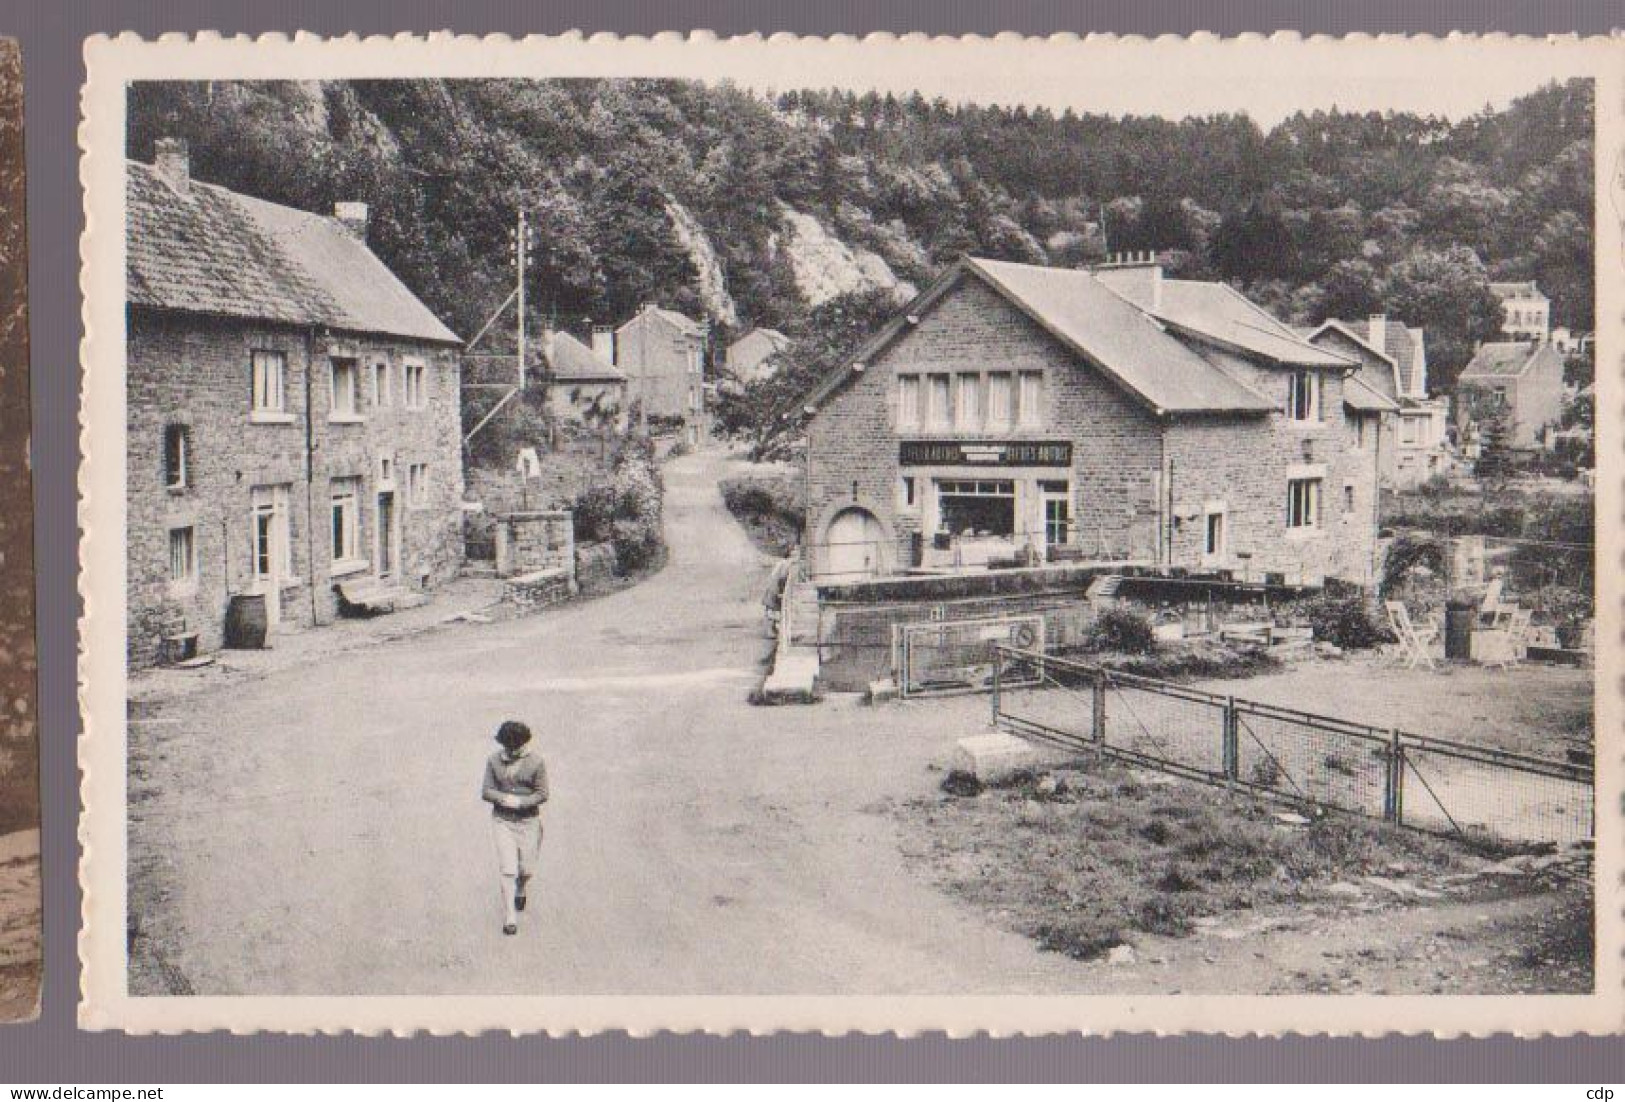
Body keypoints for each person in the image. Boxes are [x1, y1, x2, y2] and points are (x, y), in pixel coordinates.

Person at [481, 720, 549, 935]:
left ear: (524, 744)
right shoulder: (493, 761)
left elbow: (543, 793)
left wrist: (522, 802)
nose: (512, 751)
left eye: (516, 747)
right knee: (508, 869)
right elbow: (486, 790)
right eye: (507, 747)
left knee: (526, 869)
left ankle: (521, 887)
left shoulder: (537, 762)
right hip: (503, 821)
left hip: (529, 821)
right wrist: (504, 799)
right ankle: (510, 915)